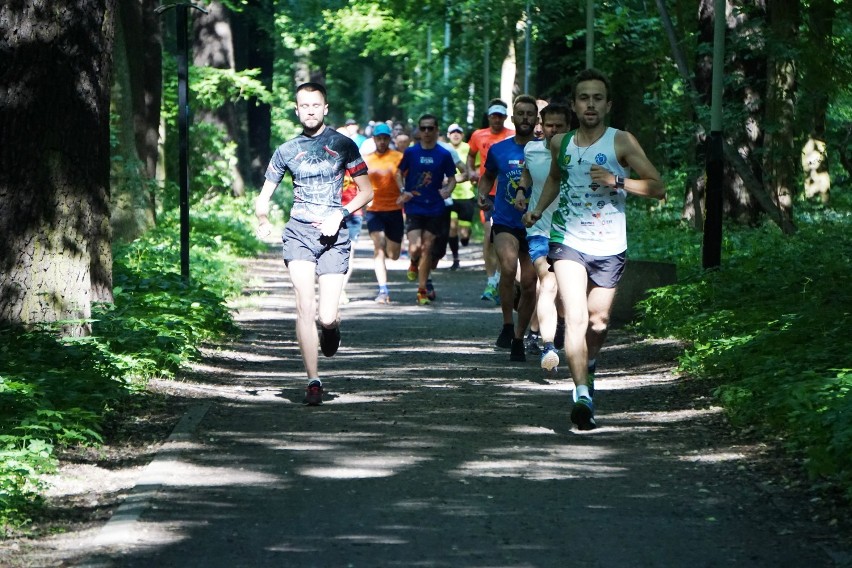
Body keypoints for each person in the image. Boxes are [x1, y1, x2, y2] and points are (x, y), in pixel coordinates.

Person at [523, 68, 665, 430]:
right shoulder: (562, 143)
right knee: (576, 316)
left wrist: (618, 180)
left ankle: (589, 363)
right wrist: (539, 208)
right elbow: (556, 177)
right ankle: (582, 393)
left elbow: (657, 187)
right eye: (584, 97)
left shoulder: (622, 142)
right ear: (574, 105)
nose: (590, 104)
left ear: (607, 105)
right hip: (567, 240)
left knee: (599, 323)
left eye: (597, 98)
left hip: (610, 244)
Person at [255, 82, 374, 406]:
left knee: (326, 316)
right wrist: (264, 221)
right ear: (296, 110)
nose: (309, 110)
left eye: (315, 105)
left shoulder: (344, 144)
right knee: (304, 305)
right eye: (303, 105)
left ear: (325, 108)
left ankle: (332, 328)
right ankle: (313, 380)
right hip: (299, 234)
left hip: (334, 237)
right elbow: (263, 198)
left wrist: (341, 213)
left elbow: (367, 191)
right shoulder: (286, 150)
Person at [477, 94, 539, 362]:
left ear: (536, 119)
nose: (525, 118)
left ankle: (519, 338)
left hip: (536, 223)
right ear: (513, 118)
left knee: (528, 284)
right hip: (505, 220)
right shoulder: (500, 149)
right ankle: (506, 324)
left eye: (530, 114)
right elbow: (487, 176)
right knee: (509, 267)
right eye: (521, 113)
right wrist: (482, 195)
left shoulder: (544, 150)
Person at [513, 102, 571, 371]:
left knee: (564, 291)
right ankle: (548, 346)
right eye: (549, 125)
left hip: (573, 233)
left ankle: (555, 328)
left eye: (560, 126)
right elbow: (527, 174)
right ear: (541, 125)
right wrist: (522, 192)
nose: (554, 130)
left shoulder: (578, 154)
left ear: (569, 127)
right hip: (538, 230)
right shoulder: (532, 149)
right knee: (547, 282)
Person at [396, 114, 457, 304]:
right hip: (414, 204)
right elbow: (399, 173)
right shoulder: (411, 152)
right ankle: (413, 262)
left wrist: (448, 189)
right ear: (419, 131)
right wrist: (403, 190)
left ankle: (422, 290)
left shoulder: (444, 154)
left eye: (431, 128)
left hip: (435, 207)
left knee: (427, 248)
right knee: (414, 248)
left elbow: (452, 178)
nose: (427, 132)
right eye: (423, 128)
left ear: (437, 130)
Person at [467, 99, 514, 303]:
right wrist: (470, 171)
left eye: (500, 116)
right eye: (493, 116)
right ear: (488, 117)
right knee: (489, 236)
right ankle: (491, 281)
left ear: (505, 117)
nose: (496, 119)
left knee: (508, 239)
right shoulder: (478, 135)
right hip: (488, 192)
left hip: (509, 192)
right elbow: (471, 155)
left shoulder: (512, 136)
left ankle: (508, 279)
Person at [364, 123, 404, 303]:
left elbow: (407, 179)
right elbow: (358, 181)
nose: (382, 141)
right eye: (378, 138)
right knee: (378, 247)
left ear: (389, 139)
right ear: (374, 139)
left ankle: (394, 251)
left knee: (393, 254)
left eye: (385, 138)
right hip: (374, 210)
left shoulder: (399, 157)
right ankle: (383, 290)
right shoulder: (366, 159)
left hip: (395, 209)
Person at [444, 123, 475, 270]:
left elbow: (473, 167)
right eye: (452, 132)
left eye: (458, 132)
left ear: (462, 135)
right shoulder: (443, 149)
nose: (455, 134)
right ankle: (455, 259)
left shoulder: (469, 148)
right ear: (448, 135)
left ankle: (465, 238)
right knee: (452, 227)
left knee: (464, 233)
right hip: (450, 195)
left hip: (467, 194)